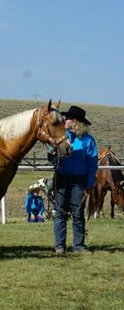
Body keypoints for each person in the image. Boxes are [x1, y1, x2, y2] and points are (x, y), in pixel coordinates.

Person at [51, 105, 98, 255]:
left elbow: (92, 165)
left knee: (78, 213)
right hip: (62, 178)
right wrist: (52, 152)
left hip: (79, 180)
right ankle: (59, 246)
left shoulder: (89, 141)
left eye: (69, 118)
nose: (65, 120)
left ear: (76, 122)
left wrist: (89, 184)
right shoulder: (61, 136)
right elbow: (50, 156)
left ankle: (79, 246)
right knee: (60, 212)